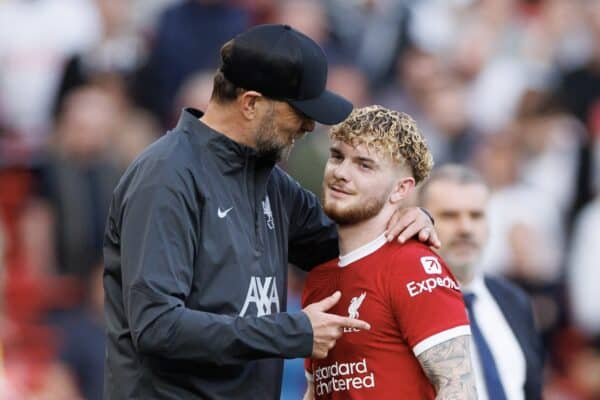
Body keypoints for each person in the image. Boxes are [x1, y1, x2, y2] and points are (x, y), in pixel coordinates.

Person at [103, 24, 438, 399]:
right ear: (250, 104)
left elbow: (344, 243)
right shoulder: (166, 177)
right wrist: (293, 332)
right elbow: (157, 326)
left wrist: (408, 222)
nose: (309, 126)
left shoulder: (268, 180)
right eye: (299, 111)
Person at [302, 106, 475, 399]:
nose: (341, 173)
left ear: (400, 190)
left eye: (364, 165)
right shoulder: (319, 278)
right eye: (337, 156)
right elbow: (316, 391)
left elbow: (459, 388)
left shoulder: (413, 264)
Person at [419, 164, 544, 400]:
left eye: (476, 215)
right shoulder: (408, 305)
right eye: (449, 215)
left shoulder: (515, 301)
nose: (465, 228)